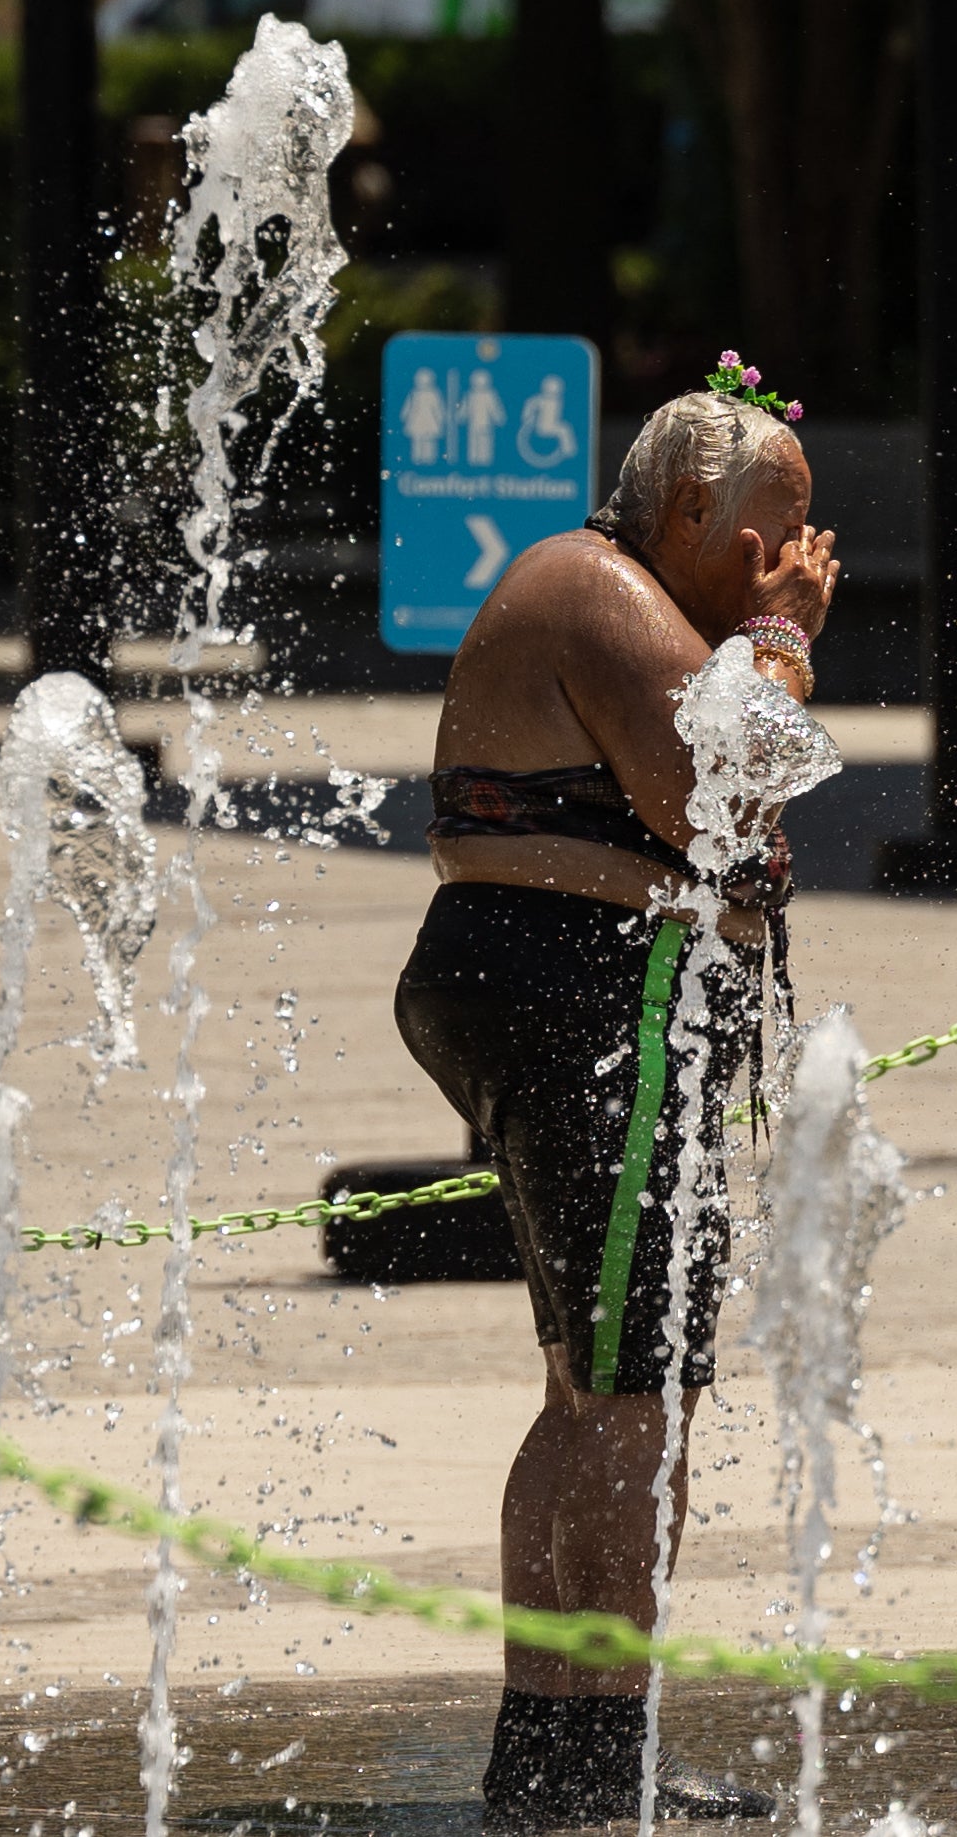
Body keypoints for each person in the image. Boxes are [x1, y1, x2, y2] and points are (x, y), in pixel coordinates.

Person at [394, 388, 840, 1826]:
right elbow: (738, 784)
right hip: (588, 1003)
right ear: (694, 515)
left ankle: (570, 1750)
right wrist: (782, 640)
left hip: (581, 998)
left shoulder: (606, 592)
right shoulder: (597, 584)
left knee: (600, 1386)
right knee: (632, 1398)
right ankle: (584, 1762)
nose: (796, 562)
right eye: (770, 540)